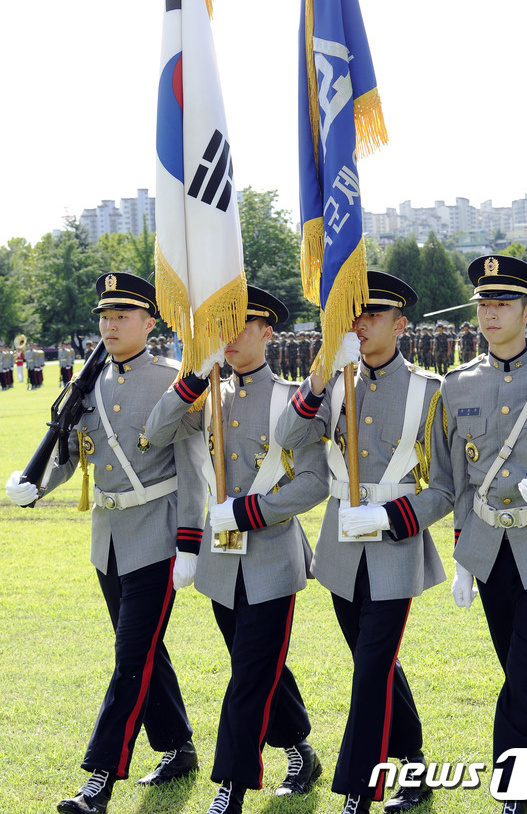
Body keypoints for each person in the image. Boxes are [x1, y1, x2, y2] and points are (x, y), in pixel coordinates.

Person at [6, 272, 207, 814]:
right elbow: (71, 454)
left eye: (123, 316)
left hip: (159, 537)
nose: (111, 325)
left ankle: (99, 780)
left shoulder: (174, 380)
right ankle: (178, 747)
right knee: (143, 650)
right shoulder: (88, 382)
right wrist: (34, 485)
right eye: (105, 316)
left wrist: (190, 542)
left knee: (130, 658)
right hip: (108, 541)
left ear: (149, 323)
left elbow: (193, 470)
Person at [144, 285, 330, 814]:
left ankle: (231, 784)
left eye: (242, 325)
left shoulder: (290, 399)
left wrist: (252, 511)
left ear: (268, 333)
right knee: (258, 663)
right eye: (222, 325)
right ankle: (299, 748)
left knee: (249, 672)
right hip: (220, 562)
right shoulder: (207, 394)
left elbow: (314, 481)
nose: (229, 335)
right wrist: (194, 377)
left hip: (272, 556)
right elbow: (155, 434)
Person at [275, 271, 454, 814]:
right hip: (340, 548)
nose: (361, 322)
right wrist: (318, 380)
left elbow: (445, 488)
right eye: (356, 313)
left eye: (374, 314)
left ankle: (358, 789)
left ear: (400, 325)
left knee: (372, 668)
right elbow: (287, 438)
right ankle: (416, 768)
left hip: (395, 544)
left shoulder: (429, 391)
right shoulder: (334, 382)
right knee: (375, 663)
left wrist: (389, 517)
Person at [441, 255, 527, 814]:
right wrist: (465, 555)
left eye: (502, 303)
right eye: (484, 303)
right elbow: (460, 479)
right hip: (491, 549)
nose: (489, 313)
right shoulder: (459, 382)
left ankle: (520, 788)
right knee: (516, 669)